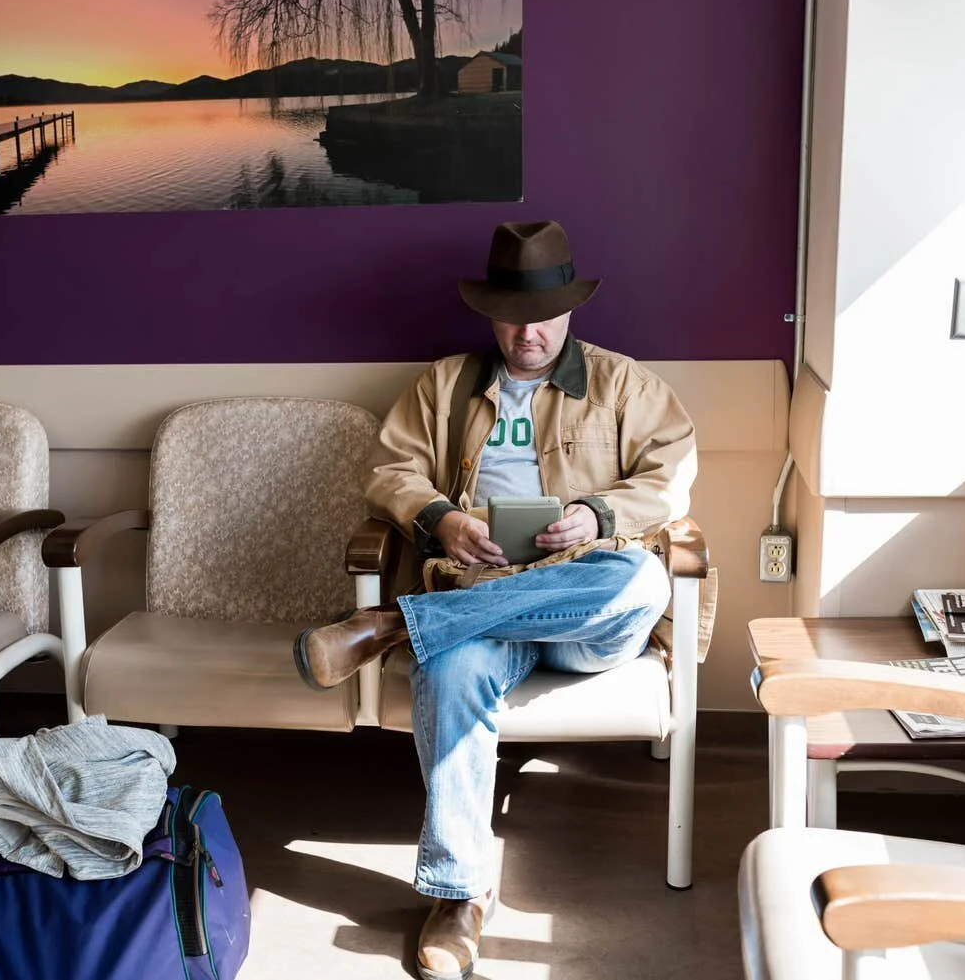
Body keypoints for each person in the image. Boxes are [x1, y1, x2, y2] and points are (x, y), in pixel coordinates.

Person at [292, 220, 697, 980]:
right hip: (481, 591)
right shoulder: (444, 384)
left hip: (585, 607)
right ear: (489, 313)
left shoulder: (625, 386)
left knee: (642, 579)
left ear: (569, 309)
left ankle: (398, 624)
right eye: (511, 317)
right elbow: (389, 472)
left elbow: (670, 480)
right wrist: (442, 519)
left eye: (542, 316)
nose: (527, 333)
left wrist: (598, 516)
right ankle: (458, 896)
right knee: (450, 669)